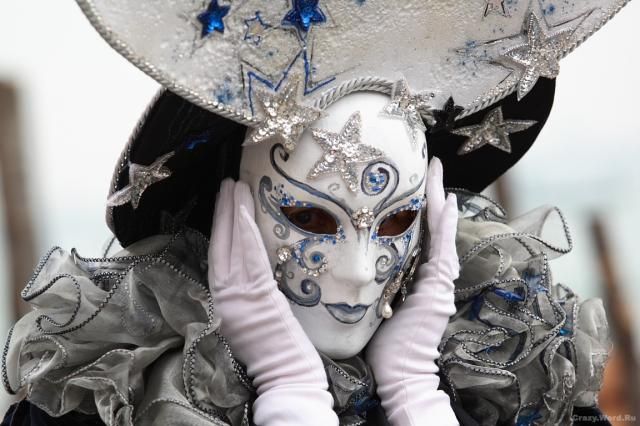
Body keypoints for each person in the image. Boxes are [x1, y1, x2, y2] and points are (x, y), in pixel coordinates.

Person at [2, 0, 626, 424]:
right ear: (234, 207)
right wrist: (288, 391)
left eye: (395, 222)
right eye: (316, 219)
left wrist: (417, 392)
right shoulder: (111, 401)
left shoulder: (519, 378)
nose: (358, 273)